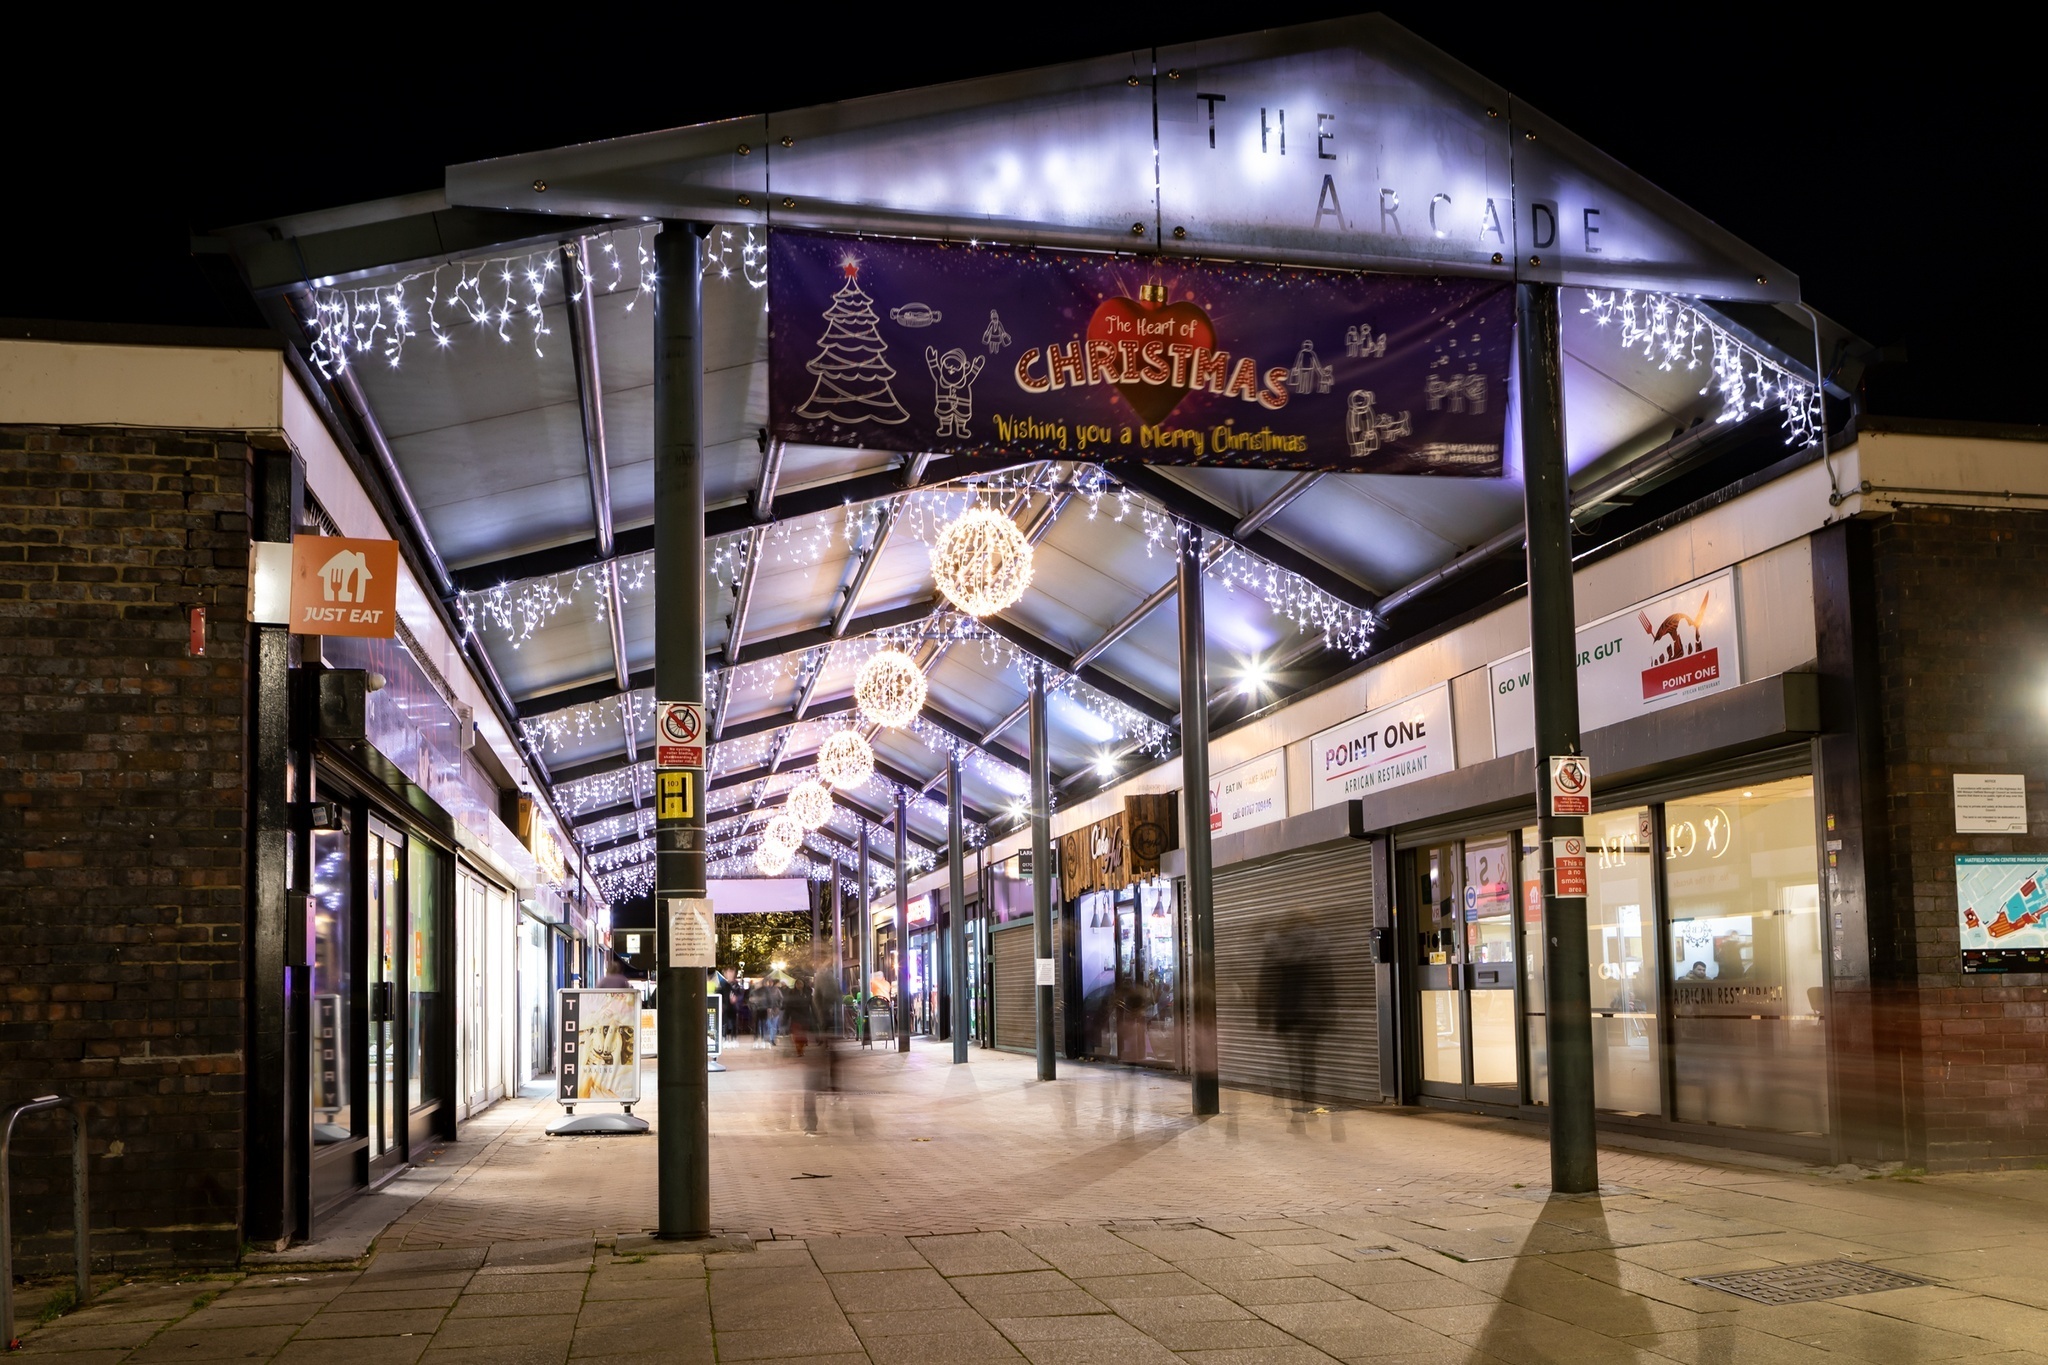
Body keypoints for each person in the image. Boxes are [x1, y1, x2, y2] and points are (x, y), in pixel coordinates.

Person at [1257, 914, 1335, 1113]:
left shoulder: (1276, 943)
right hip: (1312, 1006)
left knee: (1292, 1058)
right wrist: (1329, 1007)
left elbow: (1266, 980)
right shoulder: (1318, 942)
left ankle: (1295, 1099)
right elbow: (1326, 979)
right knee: (1308, 1057)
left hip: (1286, 1006)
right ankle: (1307, 1097)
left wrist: (1263, 1013)